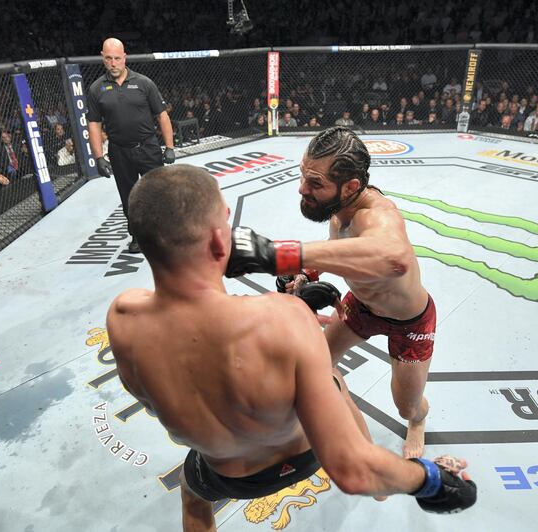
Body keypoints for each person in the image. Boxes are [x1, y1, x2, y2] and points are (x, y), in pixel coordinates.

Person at [107, 164, 475, 531]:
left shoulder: (122, 320)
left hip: (225, 474)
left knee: (193, 492)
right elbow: (353, 470)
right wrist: (432, 480)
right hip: (306, 454)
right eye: (226, 218)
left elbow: (192, 352)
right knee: (331, 378)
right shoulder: (285, 319)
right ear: (221, 241)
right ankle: (384, 490)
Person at [225, 127, 437, 459]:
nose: (302, 189)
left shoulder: (378, 215)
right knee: (315, 364)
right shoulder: (341, 208)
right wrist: (307, 271)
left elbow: (392, 257)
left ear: (351, 186)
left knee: (406, 405)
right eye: (303, 176)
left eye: (315, 184)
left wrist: (281, 254)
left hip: (409, 322)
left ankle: (419, 421)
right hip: (360, 307)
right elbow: (339, 247)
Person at [86, 37, 176, 254]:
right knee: (128, 197)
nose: (113, 63)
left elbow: (162, 116)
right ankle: (137, 236)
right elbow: (94, 124)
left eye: (117, 58)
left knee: (157, 193)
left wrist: (170, 147)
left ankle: (162, 234)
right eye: (109, 58)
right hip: (119, 151)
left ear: (124, 57)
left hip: (148, 147)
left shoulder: (144, 83)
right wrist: (98, 156)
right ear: (102, 58)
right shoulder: (96, 89)